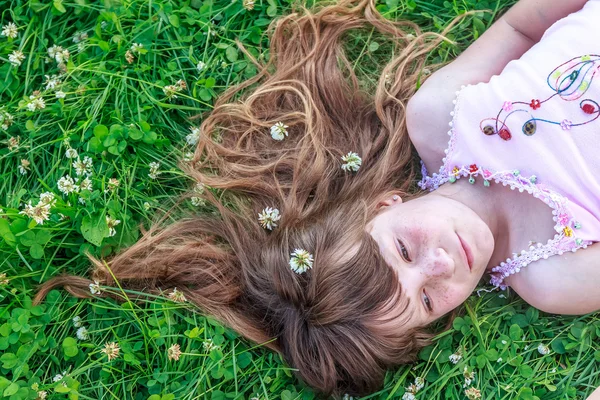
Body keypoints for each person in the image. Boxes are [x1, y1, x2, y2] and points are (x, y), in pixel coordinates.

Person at [32, 0, 600, 397]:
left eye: (403, 251)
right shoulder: (552, 276)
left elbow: (524, 29)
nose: (440, 265)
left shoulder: (438, 119)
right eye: (428, 300)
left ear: (384, 206)